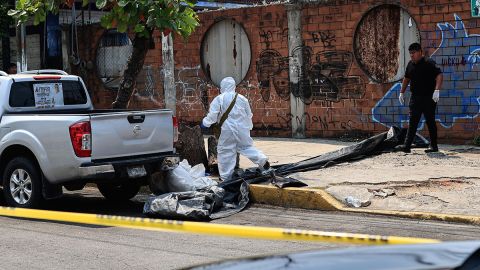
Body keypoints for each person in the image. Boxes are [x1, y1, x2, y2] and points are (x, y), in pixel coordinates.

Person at [201, 77, 269, 181]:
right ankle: (262, 160)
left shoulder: (219, 99)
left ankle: (226, 178)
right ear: (234, 86)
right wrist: (248, 128)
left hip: (227, 130)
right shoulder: (242, 99)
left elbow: (212, 116)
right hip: (242, 129)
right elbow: (249, 115)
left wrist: (205, 123)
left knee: (225, 152)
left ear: (222, 86)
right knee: (246, 147)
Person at [397, 42, 443, 153]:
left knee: (430, 121)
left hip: (428, 98)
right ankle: (407, 146)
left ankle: (434, 146)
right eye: (410, 53)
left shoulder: (429, 63)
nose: (412, 55)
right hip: (415, 98)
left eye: (414, 53)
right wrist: (401, 92)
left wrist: (437, 90)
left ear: (420, 52)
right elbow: (407, 78)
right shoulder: (410, 64)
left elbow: (439, 75)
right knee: (412, 122)